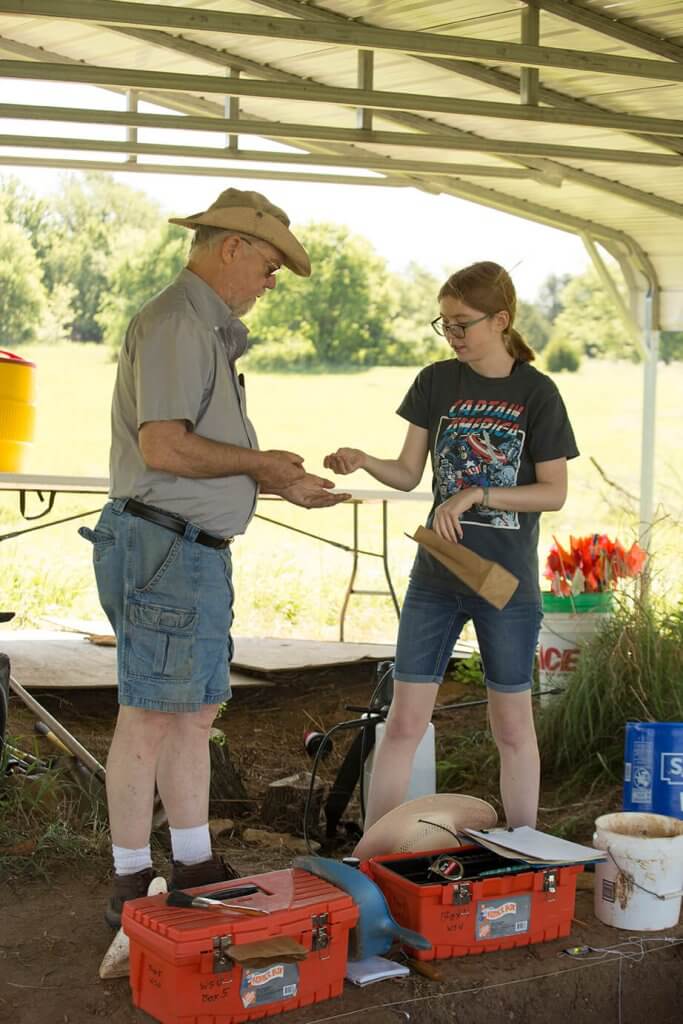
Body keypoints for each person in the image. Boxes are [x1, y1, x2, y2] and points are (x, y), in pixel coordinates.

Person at [80, 188, 350, 926]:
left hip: (184, 547)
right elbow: (163, 446)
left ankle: (193, 860)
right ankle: (133, 880)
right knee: (151, 716)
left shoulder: (201, 327)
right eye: (267, 267)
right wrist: (262, 465)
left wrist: (277, 478)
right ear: (229, 247)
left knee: (193, 714)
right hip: (164, 545)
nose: (270, 285)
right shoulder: (176, 323)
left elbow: (193, 451)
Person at [324, 261, 578, 859]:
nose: (453, 335)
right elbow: (409, 472)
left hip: (504, 584)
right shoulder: (437, 381)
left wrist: (478, 492)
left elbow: (554, 492)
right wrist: (365, 460)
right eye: (445, 323)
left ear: (501, 321)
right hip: (437, 576)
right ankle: (377, 855)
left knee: (512, 727)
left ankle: (524, 850)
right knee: (404, 723)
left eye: (463, 323)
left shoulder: (537, 393)